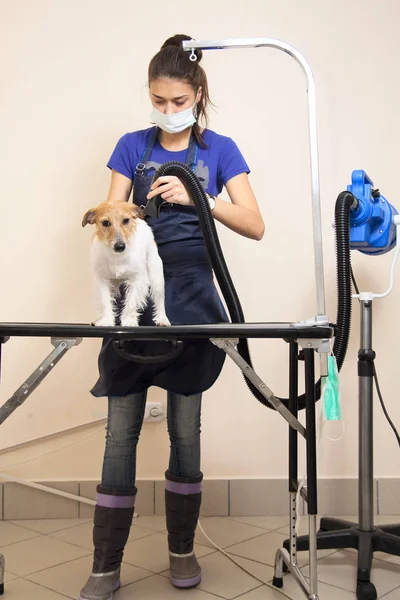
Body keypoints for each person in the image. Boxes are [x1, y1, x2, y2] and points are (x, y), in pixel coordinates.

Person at [79, 33, 264, 600]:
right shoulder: (131, 147)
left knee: (186, 432)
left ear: (197, 93)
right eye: (157, 99)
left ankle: (182, 552)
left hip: (192, 298)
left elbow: (255, 225)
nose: (166, 109)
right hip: (133, 297)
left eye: (176, 100)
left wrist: (198, 200)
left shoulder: (220, 150)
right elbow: (111, 215)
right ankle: (106, 564)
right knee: (120, 432)